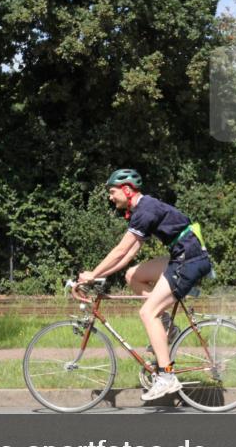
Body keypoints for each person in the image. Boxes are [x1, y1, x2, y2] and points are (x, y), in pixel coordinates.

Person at [78, 169, 213, 401]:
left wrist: (93, 274)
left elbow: (121, 249)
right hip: (182, 256)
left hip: (188, 260)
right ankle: (167, 325)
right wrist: (101, 275)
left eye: (112, 192)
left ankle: (167, 376)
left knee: (147, 312)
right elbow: (128, 255)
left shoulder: (145, 210)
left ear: (127, 190)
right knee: (132, 276)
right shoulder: (143, 209)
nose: (111, 197)